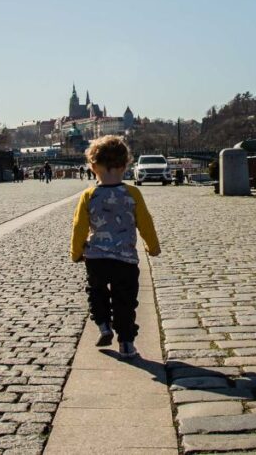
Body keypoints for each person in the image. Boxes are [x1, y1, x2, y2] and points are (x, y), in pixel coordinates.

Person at [71, 135, 160, 358]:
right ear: (125, 165)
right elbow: (145, 222)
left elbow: (79, 227)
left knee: (96, 293)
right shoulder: (132, 193)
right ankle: (127, 343)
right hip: (125, 259)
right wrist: (153, 246)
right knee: (125, 301)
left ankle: (103, 325)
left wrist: (76, 252)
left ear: (92, 167)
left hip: (96, 258)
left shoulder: (89, 195)